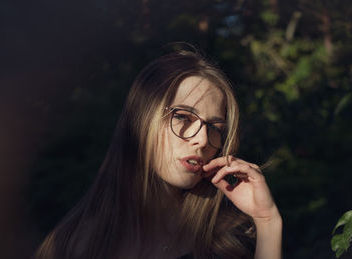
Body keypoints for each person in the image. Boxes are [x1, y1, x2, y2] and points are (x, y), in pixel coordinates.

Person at [35, 48, 282, 259]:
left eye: (215, 128)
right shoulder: (75, 244)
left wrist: (268, 222)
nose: (203, 139)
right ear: (143, 118)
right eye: (183, 117)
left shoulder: (228, 242)